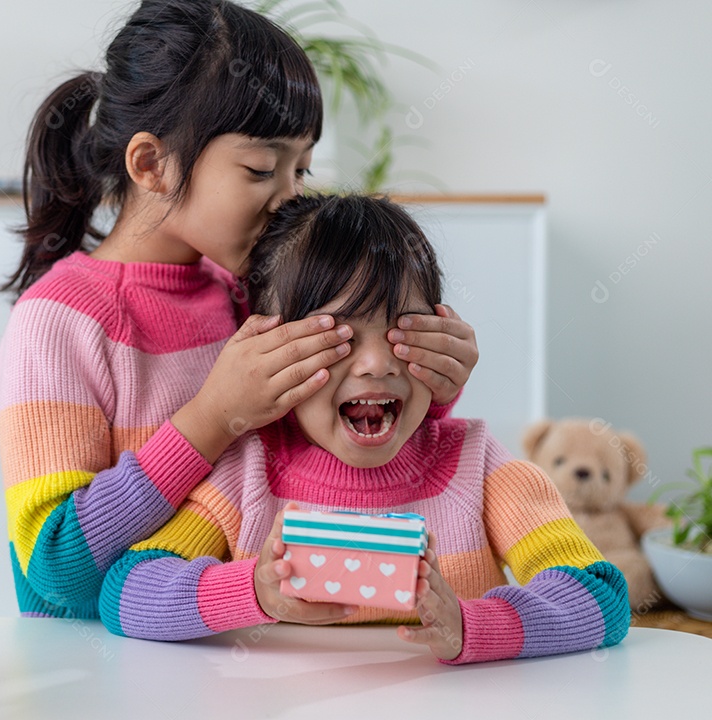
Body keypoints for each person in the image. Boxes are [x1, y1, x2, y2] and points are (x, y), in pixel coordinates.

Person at [0, 0, 479, 620]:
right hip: (98, 671)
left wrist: (430, 383)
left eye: (301, 169)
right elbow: (55, 568)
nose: (289, 198)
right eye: (261, 168)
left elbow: (319, 435)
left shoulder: (244, 290)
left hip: (231, 659)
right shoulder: (60, 322)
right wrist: (214, 417)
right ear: (152, 164)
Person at [99, 194, 629, 664]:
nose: (376, 363)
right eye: (338, 335)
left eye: (401, 329)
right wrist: (254, 591)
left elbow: (600, 594)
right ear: (273, 354)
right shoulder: (249, 469)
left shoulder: (477, 464)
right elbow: (126, 592)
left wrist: (472, 626)